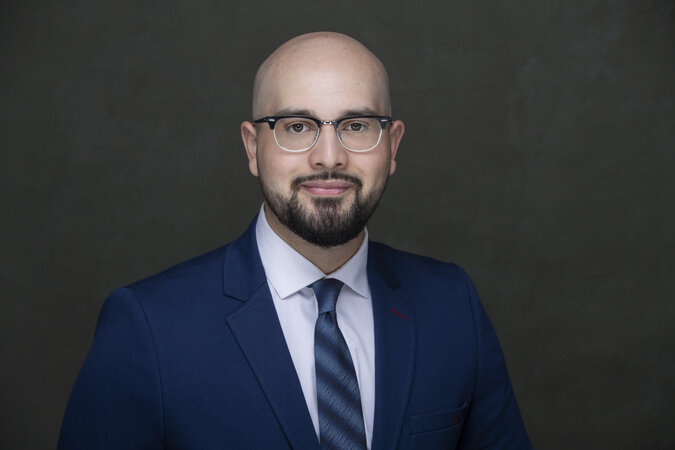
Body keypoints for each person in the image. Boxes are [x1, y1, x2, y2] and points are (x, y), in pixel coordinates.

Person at [58, 32, 532, 449]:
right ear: (252, 147)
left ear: (393, 146)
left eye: (356, 125)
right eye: (297, 127)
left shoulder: (452, 306)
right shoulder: (149, 329)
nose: (329, 157)